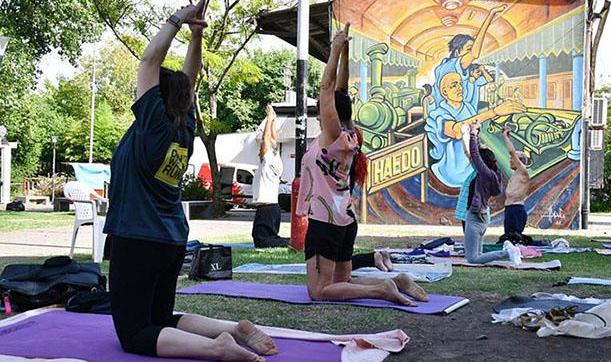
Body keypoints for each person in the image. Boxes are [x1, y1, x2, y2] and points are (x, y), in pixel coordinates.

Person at [104, 2, 276, 361]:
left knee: (134, 333)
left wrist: (177, 19)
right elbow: (190, 76)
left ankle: (217, 348)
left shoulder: (152, 122)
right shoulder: (183, 125)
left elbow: (150, 61)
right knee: (161, 318)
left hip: (138, 237)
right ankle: (232, 330)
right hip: (169, 238)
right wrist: (196, 34)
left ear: (155, 97)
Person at [297, 24, 427, 305]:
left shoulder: (331, 136)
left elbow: (328, 87)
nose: (320, 110)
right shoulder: (350, 134)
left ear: (329, 111)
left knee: (319, 291)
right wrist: (344, 51)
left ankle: (382, 290)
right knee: (341, 282)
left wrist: (334, 49)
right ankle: (397, 282)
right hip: (345, 217)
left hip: (326, 219)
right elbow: (340, 88)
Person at [426, 71, 526, 187]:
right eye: (453, 86)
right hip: (455, 171)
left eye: (460, 84)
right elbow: (456, 131)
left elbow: (477, 125)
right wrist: (494, 112)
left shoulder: (468, 107)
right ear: (444, 92)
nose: (459, 88)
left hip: (475, 163)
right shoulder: (438, 114)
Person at [464, 121, 521, 265]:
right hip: (482, 216)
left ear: (483, 163)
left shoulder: (485, 174)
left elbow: (475, 155)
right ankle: (507, 251)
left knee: (472, 259)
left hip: (475, 218)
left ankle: (507, 252)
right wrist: (477, 133)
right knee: (479, 255)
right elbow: (477, 154)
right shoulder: (494, 174)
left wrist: (472, 134)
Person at [432, 4, 506, 105]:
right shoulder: (449, 66)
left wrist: (483, 70)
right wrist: (491, 14)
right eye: (469, 49)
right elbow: (474, 54)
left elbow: (488, 80)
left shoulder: (467, 70)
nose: (471, 53)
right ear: (458, 52)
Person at [251, 104, 289, 248]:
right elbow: (273, 139)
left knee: (261, 241)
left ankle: (293, 243)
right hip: (274, 208)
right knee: (270, 237)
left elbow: (266, 140)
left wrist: (268, 118)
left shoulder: (266, 161)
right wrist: (273, 121)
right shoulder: (276, 159)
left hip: (266, 207)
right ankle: (291, 242)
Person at [502, 127, 531, 234]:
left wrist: (505, 136)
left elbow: (511, 151)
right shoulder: (516, 174)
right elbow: (512, 152)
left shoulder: (523, 172)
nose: (510, 160)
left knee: (515, 239)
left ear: (519, 161)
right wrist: (509, 138)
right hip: (509, 209)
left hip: (517, 210)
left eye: (512, 159)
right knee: (508, 239)